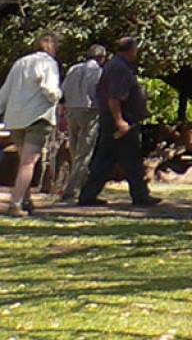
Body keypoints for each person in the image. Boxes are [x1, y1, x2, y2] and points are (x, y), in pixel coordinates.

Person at [78, 35, 156, 208]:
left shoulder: (115, 65)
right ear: (130, 50)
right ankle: (141, 196)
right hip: (121, 121)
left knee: (105, 160)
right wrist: (120, 120)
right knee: (132, 159)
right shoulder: (119, 68)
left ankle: (88, 195)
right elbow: (114, 98)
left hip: (114, 120)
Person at [0, 31, 60, 214]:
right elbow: (50, 89)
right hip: (37, 117)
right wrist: (58, 96)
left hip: (16, 118)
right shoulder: (49, 63)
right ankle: (15, 203)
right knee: (29, 162)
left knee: (22, 160)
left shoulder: (20, 63)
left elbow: (4, 92)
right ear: (53, 47)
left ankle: (25, 199)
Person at [47, 45, 104, 199]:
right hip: (89, 111)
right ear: (101, 58)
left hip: (71, 110)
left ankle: (84, 188)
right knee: (84, 152)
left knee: (74, 149)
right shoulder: (98, 72)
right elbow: (99, 93)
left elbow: (63, 91)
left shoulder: (74, 69)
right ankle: (71, 190)